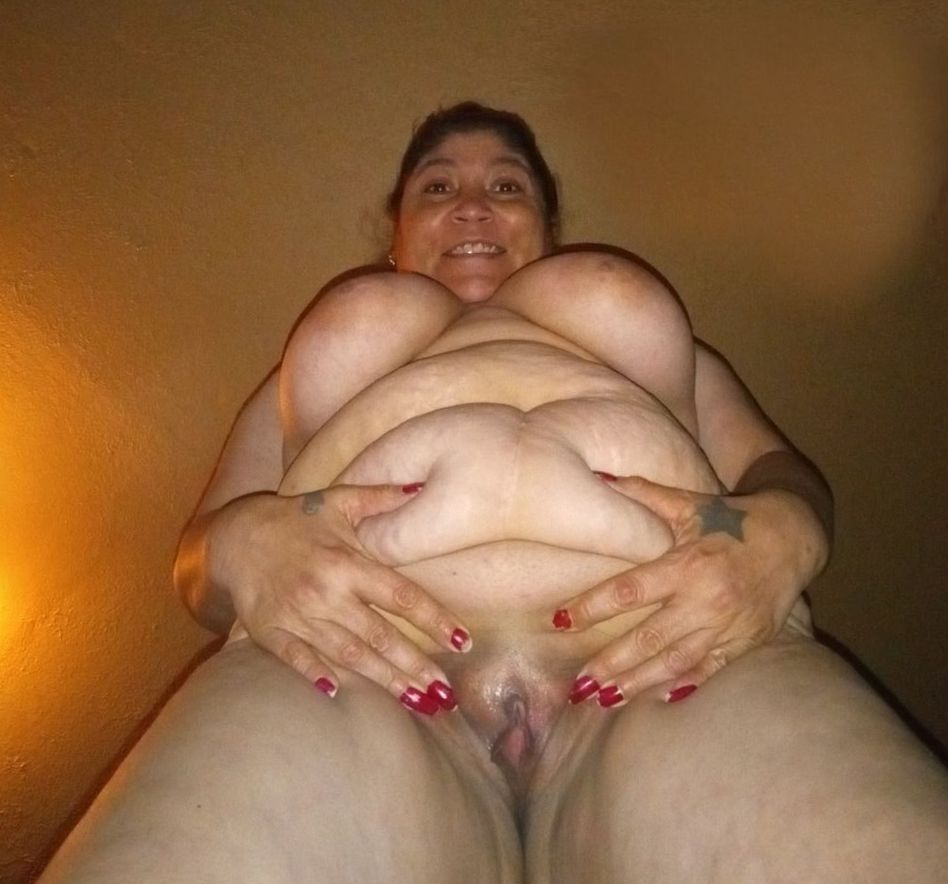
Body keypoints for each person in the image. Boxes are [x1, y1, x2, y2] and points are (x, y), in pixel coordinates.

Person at [42, 103, 948, 883]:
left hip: (675, 660)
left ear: (547, 226)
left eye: (506, 185)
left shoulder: (648, 353)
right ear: (395, 232)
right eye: (437, 185)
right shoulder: (299, 376)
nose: (472, 203)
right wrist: (245, 545)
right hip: (352, 670)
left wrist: (785, 536)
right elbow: (198, 565)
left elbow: (779, 474)